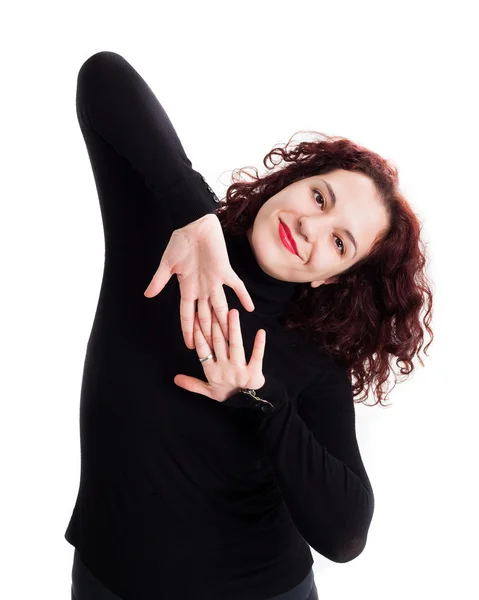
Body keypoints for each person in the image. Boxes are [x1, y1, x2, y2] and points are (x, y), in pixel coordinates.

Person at [66, 51, 433, 600]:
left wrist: (259, 398)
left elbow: (346, 533)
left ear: (334, 278)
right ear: (293, 181)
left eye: (339, 242)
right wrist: (193, 214)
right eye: (319, 196)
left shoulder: (314, 359)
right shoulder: (169, 238)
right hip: (105, 582)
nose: (310, 226)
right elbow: (103, 76)